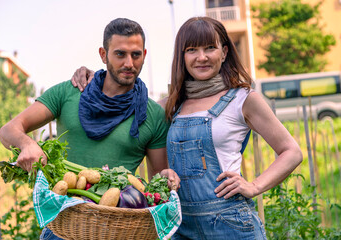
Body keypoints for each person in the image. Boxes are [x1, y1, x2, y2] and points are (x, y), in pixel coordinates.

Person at [71, 17, 303, 240]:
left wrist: (254, 186)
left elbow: (291, 152)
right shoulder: (171, 105)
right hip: (181, 227)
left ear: (224, 52)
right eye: (191, 50)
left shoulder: (243, 99)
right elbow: (121, 96)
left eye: (210, 48)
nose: (201, 57)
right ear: (182, 57)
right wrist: (95, 77)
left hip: (231, 225)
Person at [0, 18, 180, 240]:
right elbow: (8, 130)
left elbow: (155, 187)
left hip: (118, 230)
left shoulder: (153, 115)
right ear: (103, 55)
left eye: (136, 55)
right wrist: (27, 144)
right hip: (63, 228)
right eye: (120, 54)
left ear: (144, 54)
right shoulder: (69, 93)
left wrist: (167, 178)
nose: (129, 63)